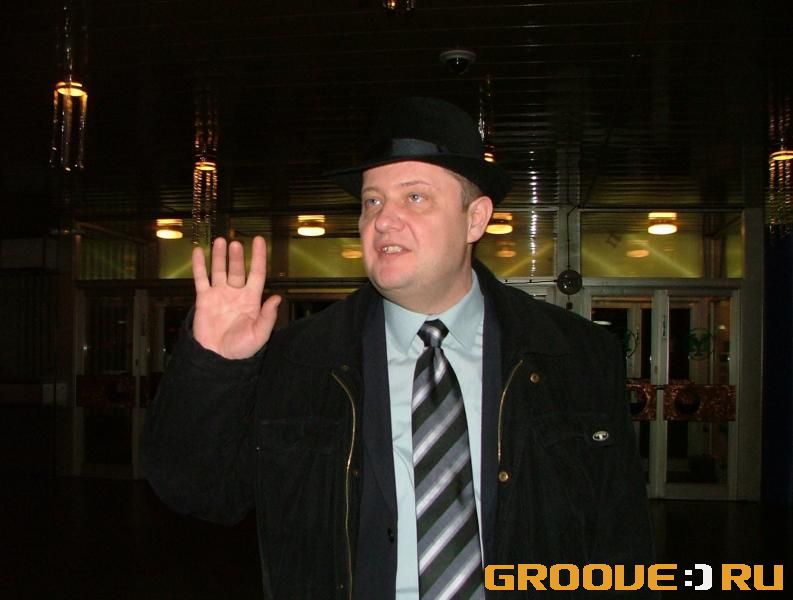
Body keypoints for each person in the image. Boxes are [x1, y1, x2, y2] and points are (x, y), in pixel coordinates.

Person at [142, 97, 655, 599]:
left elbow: (621, 543)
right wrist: (214, 368)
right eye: (372, 201)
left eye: (415, 197)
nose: (383, 219)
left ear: (475, 219)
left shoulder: (575, 356)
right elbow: (197, 490)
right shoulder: (303, 359)